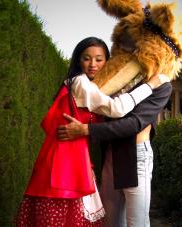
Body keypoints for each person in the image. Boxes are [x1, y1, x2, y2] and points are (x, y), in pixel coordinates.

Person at [15, 37, 168, 227]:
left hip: (77, 156)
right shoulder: (80, 83)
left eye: (99, 59)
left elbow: (131, 122)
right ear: (78, 60)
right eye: (86, 58)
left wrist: (86, 130)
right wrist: (150, 86)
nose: (93, 64)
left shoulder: (95, 85)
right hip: (67, 158)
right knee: (68, 216)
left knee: (79, 217)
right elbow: (116, 109)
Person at [57, 62, 173, 226]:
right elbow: (102, 109)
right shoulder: (119, 76)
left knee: (137, 222)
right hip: (111, 154)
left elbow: (134, 124)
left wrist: (86, 129)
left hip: (136, 155)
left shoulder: (161, 83)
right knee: (111, 221)